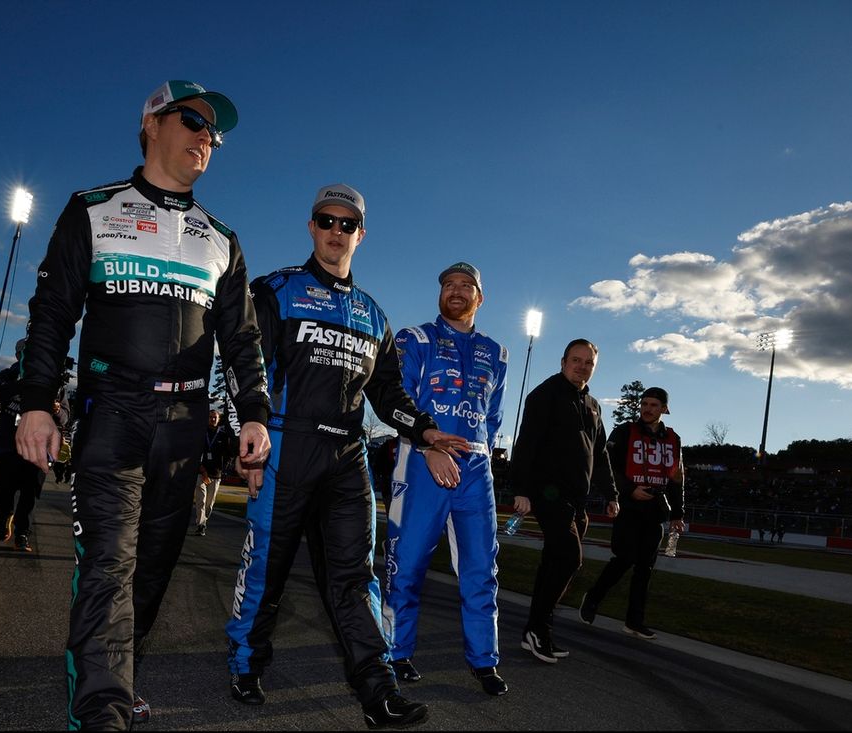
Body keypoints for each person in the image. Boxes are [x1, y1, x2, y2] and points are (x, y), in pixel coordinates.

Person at [14, 80, 271, 730]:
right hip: (113, 415)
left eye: (213, 131)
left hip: (185, 430)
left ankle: (119, 672)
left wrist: (256, 413)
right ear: (151, 122)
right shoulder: (94, 209)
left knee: (151, 571)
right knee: (108, 565)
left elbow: (241, 339)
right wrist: (38, 399)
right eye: (193, 120)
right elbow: (51, 315)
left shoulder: (222, 239)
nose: (205, 138)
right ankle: (102, 710)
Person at [225, 183, 468, 729]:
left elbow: (389, 395)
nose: (336, 232)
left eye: (347, 224)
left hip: (347, 457)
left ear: (361, 234)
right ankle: (245, 666)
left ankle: (377, 690)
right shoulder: (276, 291)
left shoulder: (373, 314)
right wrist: (247, 437)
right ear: (311, 227)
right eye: (326, 221)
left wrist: (426, 432)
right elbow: (247, 367)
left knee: (357, 579)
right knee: (268, 569)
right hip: (286, 447)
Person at [382, 262, 509, 696]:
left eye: (466, 285)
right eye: (448, 285)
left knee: (481, 568)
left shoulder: (497, 352)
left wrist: (482, 456)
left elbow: (493, 418)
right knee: (408, 564)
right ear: (440, 293)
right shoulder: (414, 339)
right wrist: (427, 447)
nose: (456, 291)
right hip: (421, 463)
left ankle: (484, 660)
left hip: (475, 469)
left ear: (480, 297)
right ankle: (395, 653)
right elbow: (398, 400)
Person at [510, 339, 619, 664]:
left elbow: (599, 454)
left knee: (553, 563)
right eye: (576, 360)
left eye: (588, 362)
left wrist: (611, 493)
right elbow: (526, 443)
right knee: (570, 558)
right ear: (563, 361)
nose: (582, 366)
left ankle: (534, 630)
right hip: (548, 492)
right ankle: (540, 628)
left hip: (576, 498)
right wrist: (520, 488)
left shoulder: (593, 405)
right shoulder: (545, 395)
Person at [578, 387, 684, 640]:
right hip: (629, 505)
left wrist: (677, 513)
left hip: (656, 508)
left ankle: (634, 621)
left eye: (654, 405)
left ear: (664, 409)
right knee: (624, 558)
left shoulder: (673, 438)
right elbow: (606, 465)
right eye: (644, 404)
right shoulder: (625, 431)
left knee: (645, 567)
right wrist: (628, 490)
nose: (647, 409)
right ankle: (592, 598)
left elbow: (677, 478)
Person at [0, 339, 60, 551]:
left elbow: (65, 415)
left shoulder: (55, 380)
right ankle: (5, 515)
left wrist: (57, 411)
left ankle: (22, 533)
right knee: (4, 487)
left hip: (38, 448)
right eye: (24, 354)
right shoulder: (8, 375)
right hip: (7, 446)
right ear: (18, 356)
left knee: (30, 493)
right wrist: (30, 382)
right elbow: (0, 392)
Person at [193, 409, 230, 536]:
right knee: (201, 500)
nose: (212, 419)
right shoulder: (202, 433)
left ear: (219, 419)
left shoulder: (223, 436)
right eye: (210, 417)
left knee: (209, 504)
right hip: (201, 472)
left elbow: (228, 454)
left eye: (215, 417)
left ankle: (203, 521)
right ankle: (201, 525)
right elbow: (195, 452)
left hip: (216, 474)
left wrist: (224, 467)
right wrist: (201, 468)